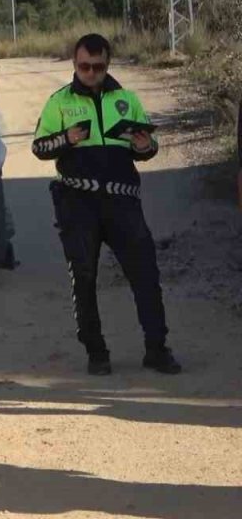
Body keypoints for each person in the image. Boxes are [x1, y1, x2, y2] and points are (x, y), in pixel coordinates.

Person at [32, 34, 181, 376]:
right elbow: (39, 148)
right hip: (77, 203)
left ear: (107, 65)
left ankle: (157, 349)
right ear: (74, 63)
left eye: (98, 67)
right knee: (83, 278)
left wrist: (144, 145)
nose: (91, 73)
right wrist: (66, 139)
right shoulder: (58, 102)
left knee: (145, 274)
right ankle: (96, 352)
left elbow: (149, 150)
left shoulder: (126, 99)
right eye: (84, 66)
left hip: (122, 202)